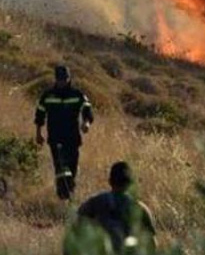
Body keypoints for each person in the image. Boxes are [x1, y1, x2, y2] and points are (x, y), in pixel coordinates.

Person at [35, 65, 94, 200]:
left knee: (71, 167)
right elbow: (39, 114)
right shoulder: (48, 96)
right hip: (55, 138)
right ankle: (63, 196)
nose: (62, 82)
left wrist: (86, 123)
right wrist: (38, 133)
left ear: (69, 79)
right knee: (60, 167)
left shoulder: (77, 94)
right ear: (56, 79)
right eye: (60, 79)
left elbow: (87, 110)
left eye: (65, 79)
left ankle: (69, 192)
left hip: (72, 138)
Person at [76, 162, 157, 253]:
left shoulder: (94, 203)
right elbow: (152, 245)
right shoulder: (140, 208)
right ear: (130, 183)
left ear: (110, 181)